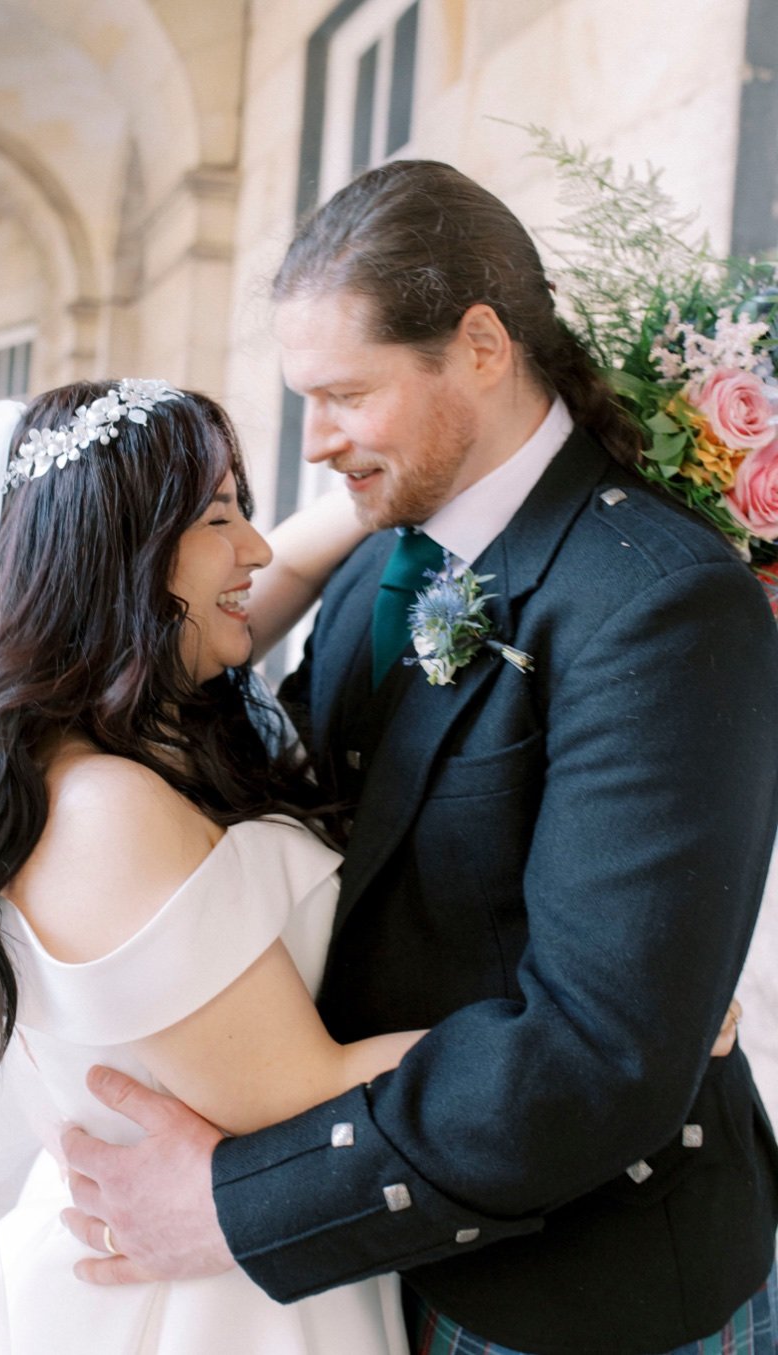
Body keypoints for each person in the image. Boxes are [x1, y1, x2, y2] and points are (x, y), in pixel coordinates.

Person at [63, 161, 778, 1354]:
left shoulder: (654, 603)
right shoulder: (377, 559)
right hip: (386, 1275)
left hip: (577, 1295)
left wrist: (239, 1206)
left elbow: (601, 1055)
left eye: (344, 393)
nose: (318, 443)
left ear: (482, 345)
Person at [0, 377, 467, 1354]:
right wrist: (610, 1027)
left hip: (236, 1262)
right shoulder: (100, 808)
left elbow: (260, 584)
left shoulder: (122, 740)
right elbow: (292, 1089)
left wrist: (382, 484)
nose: (255, 550)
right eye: (219, 516)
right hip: (180, 1307)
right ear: (119, 557)